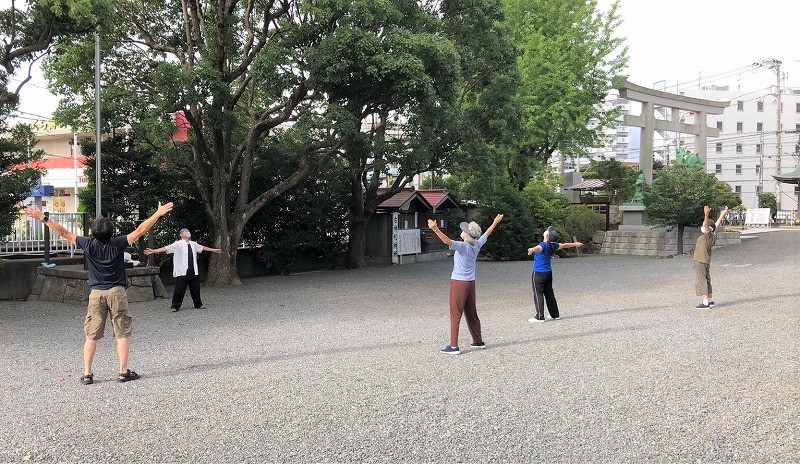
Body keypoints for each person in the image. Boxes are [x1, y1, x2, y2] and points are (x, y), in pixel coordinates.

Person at [25, 202, 174, 385]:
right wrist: (157, 213)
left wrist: (43, 217)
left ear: (93, 233)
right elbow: (141, 229)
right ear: (112, 233)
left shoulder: (88, 244)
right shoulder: (119, 243)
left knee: (91, 335)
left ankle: (87, 374)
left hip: (96, 294)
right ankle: (123, 372)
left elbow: (63, 232)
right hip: (117, 292)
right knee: (122, 333)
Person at [428, 214, 503, 355]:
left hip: (459, 282)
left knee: (455, 313)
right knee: (471, 313)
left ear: (467, 235)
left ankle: (453, 346)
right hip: (471, 283)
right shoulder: (477, 244)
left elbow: (447, 241)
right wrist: (495, 222)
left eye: (464, 230)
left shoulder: (463, 246)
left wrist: (435, 229)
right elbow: (487, 233)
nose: (462, 231)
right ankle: (478, 341)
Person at [144, 228, 221, 312]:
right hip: (182, 270)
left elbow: (202, 248)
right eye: (185, 231)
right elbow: (166, 248)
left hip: (193, 270)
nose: (187, 232)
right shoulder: (178, 244)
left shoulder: (193, 244)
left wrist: (214, 250)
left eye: (188, 231)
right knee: (179, 289)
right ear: (181, 234)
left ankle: (198, 304)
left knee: (195, 288)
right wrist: (153, 251)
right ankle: (175, 306)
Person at [526, 227, 582, 323]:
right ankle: (554, 314)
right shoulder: (554, 245)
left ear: (547, 236)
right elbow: (564, 245)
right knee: (549, 293)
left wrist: (532, 249)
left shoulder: (543, 245)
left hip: (539, 273)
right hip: (548, 273)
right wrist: (575, 244)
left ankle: (539, 316)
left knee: (538, 293)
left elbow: (538, 248)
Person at [694, 205, 728, 309]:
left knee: (701, 280)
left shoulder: (708, 235)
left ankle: (705, 303)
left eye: (704, 224)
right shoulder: (712, 234)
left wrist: (706, 214)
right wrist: (722, 215)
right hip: (705, 260)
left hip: (701, 260)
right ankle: (710, 300)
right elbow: (715, 225)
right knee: (707, 279)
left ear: (708, 227)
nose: (703, 225)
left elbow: (709, 226)